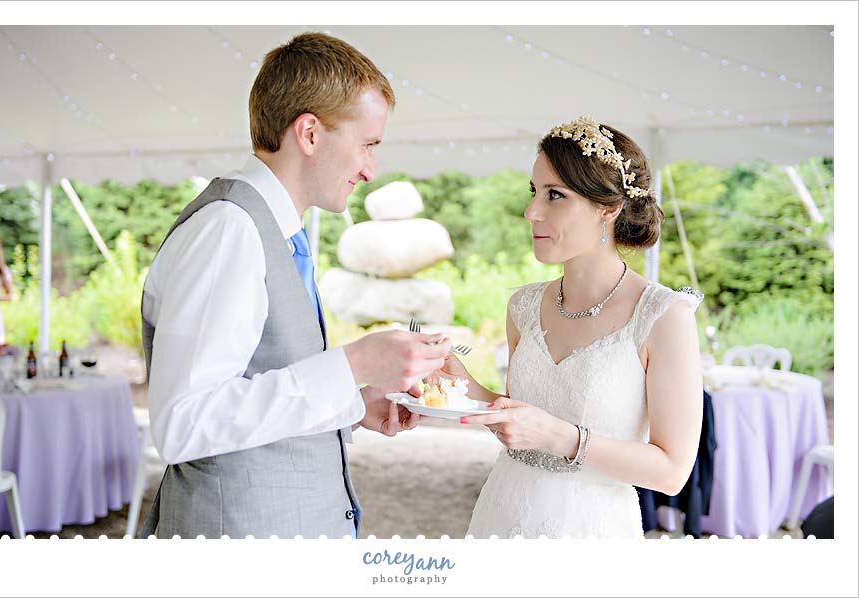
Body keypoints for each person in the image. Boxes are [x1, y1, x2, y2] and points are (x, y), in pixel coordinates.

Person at [139, 32, 451, 539]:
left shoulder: (272, 230)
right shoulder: (229, 230)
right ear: (309, 133)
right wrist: (353, 364)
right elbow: (185, 422)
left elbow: (257, 384)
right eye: (368, 144)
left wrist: (354, 401)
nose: (371, 170)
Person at [430, 116, 704, 538]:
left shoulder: (663, 316)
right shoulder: (523, 305)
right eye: (534, 192)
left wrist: (561, 437)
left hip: (590, 530)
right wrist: (460, 385)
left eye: (554, 195)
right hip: (502, 512)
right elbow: (521, 419)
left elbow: (671, 472)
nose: (531, 211)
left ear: (608, 210)